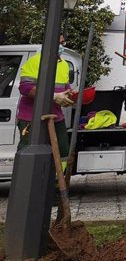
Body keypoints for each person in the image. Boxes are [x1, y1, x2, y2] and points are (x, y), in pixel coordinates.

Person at [17, 35, 75, 171]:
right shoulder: (35, 61)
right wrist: (53, 96)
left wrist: (68, 98)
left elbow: (66, 89)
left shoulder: (64, 65)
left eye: (63, 42)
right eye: (58, 43)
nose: (61, 46)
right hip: (31, 118)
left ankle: (56, 183)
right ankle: (24, 184)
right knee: (28, 150)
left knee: (63, 151)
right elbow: (25, 88)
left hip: (56, 116)